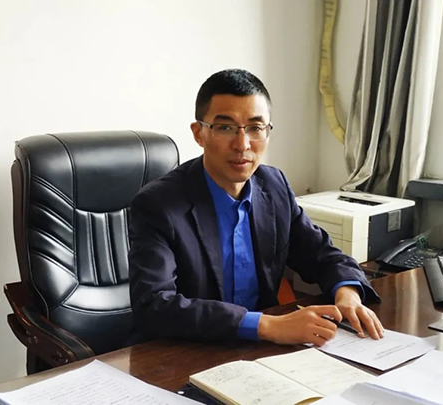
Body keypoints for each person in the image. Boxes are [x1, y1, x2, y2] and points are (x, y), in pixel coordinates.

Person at [128, 69, 384, 346]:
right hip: (188, 350)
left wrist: (348, 293)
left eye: (255, 128)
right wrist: (266, 325)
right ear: (199, 133)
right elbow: (154, 305)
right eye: (225, 128)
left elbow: (322, 254)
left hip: (260, 350)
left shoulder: (274, 186)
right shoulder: (159, 204)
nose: (242, 145)